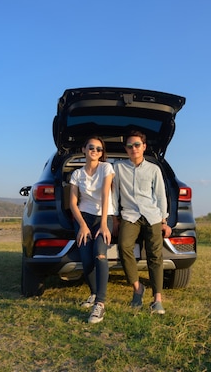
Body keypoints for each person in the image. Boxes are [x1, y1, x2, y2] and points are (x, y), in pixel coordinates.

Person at [112, 130, 172, 315]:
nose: (133, 149)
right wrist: (115, 218)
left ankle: (157, 300)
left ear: (144, 147)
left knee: (155, 256)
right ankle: (137, 288)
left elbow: (160, 195)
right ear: (126, 149)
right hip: (130, 215)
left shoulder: (154, 169)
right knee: (124, 246)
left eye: (137, 145)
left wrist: (164, 221)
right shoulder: (118, 167)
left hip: (152, 216)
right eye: (129, 146)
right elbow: (115, 194)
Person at [69, 136, 115, 324]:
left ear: (102, 153)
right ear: (84, 149)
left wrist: (104, 224)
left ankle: (100, 304)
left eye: (99, 149)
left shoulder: (106, 168)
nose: (95, 151)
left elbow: (105, 195)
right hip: (83, 217)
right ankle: (94, 294)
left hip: (104, 216)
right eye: (91, 147)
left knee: (99, 254)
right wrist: (82, 225)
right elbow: (73, 202)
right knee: (86, 260)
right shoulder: (77, 174)